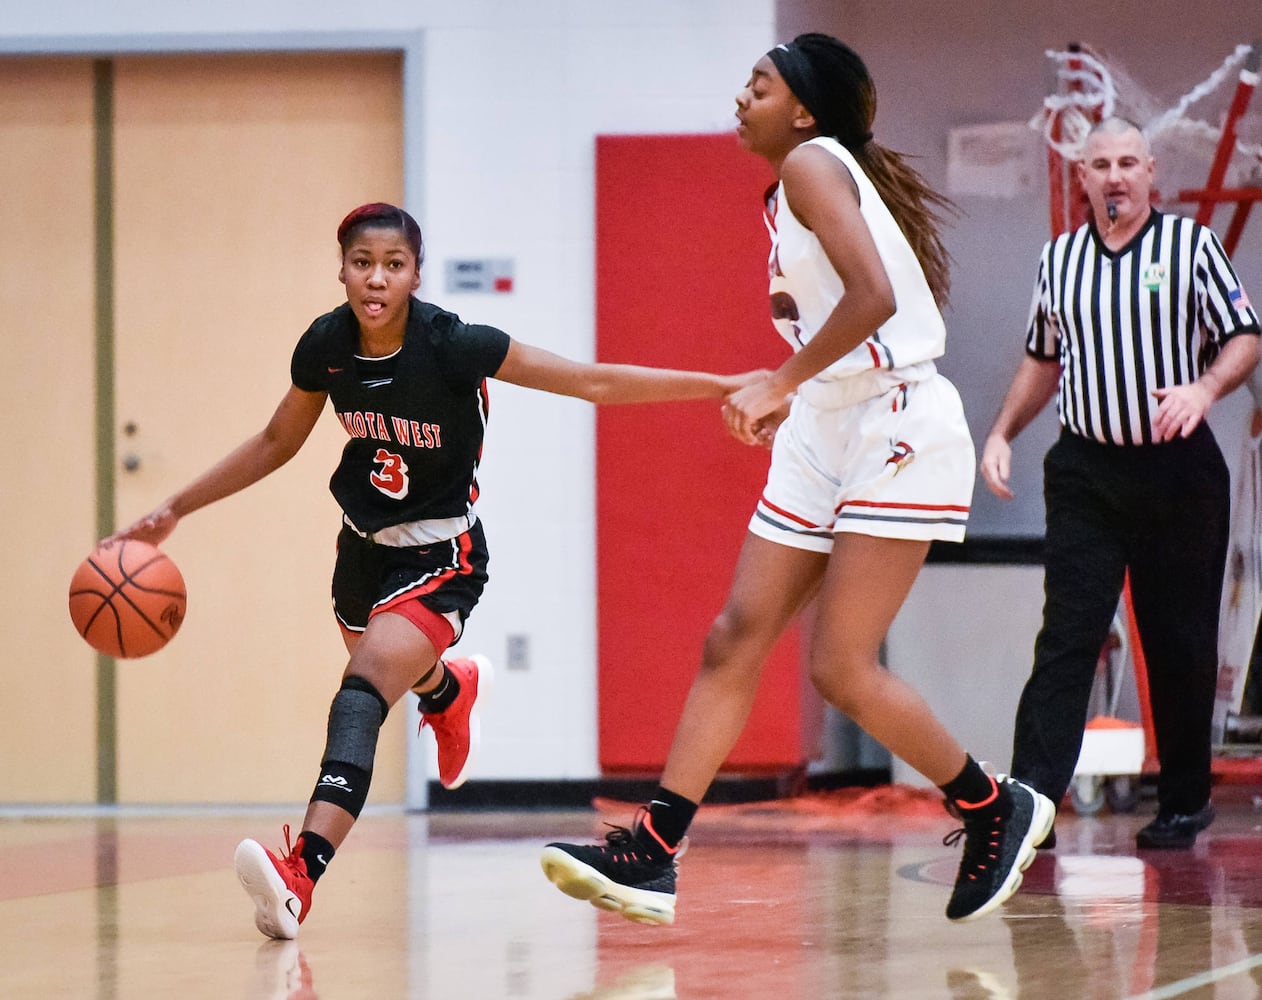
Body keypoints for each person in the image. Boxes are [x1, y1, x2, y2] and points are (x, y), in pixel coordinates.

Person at [110, 202, 762, 940]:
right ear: (342, 271)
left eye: (393, 264)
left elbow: (592, 382)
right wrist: (177, 507)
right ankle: (450, 691)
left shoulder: (453, 345)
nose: (376, 278)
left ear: (417, 274)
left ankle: (302, 875)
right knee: (387, 668)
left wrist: (724, 383)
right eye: (362, 263)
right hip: (359, 553)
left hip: (441, 556)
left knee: (361, 696)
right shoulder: (326, 345)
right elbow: (274, 441)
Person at [539, 33, 1055, 927]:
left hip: (896, 418)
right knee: (733, 636)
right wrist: (798, 391)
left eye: (760, 86)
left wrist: (780, 380)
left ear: (806, 111)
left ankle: (992, 806)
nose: (742, 98)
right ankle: (653, 853)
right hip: (829, 420)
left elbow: (873, 297)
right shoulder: (790, 185)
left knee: (841, 668)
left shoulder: (815, 162)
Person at [979, 117, 1261, 850]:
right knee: (1068, 636)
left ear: (1151, 174)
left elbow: (1244, 335)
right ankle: (1029, 803)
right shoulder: (1059, 260)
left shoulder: (1190, 246)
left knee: (1179, 639)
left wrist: (1203, 389)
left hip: (1178, 470)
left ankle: (1184, 801)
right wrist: (1002, 430)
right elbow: (1043, 358)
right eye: (1099, 163)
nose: (1114, 175)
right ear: (1082, 178)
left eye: (1127, 162)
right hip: (1088, 471)